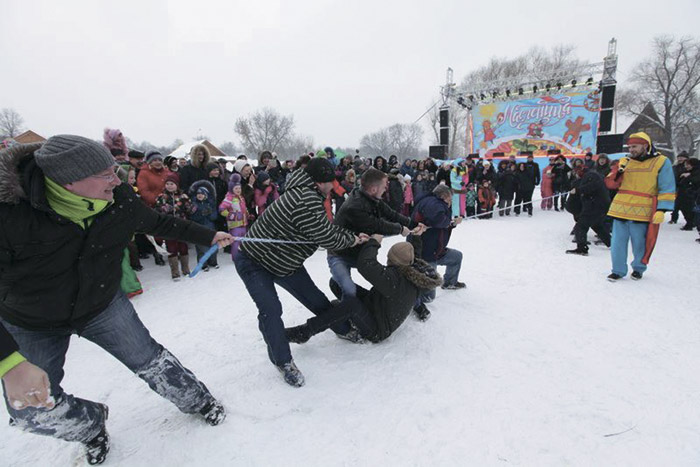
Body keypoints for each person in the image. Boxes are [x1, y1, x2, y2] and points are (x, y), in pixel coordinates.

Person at [0, 136, 232, 464]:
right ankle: (89, 426)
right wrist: (9, 363)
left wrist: (208, 235)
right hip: (31, 320)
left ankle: (198, 400)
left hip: (101, 304)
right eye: (106, 174)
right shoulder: (9, 216)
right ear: (67, 182)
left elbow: (157, 222)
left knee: (150, 360)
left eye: (116, 170)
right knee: (30, 410)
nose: (118, 179)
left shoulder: (118, 198)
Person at [234, 158, 369, 387]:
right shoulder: (305, 198)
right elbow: (325, 236)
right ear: (321, 182)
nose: (333, 184)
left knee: (315, 298)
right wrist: (353, 239)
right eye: (331, 180)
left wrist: (346, 234)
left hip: (284, 261)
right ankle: (282, 361)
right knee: (271, 310)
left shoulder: (309, 192)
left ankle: (343, 329)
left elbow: (324, 228)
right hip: (254, 261)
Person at [284, 235, 442, 344]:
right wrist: (416, 236)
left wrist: (374, 242)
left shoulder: (394, 280)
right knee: (337, 284)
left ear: (393, 260)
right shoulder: (413, 271)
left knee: (351, 304)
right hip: (377, 305)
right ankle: (343, 312)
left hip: (378, 328)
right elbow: (415, 253)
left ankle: (305, 332)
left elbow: (366, 265)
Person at [329, 167, 421, 299]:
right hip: (339, 253)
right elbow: (377, 225)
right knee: (348, 289)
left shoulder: (371, 197)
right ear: (373, 189)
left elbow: (391, 213)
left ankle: (409, 303)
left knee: (383, 281)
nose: (386, 189)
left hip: (358, 250)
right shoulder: (355, 206)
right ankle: (349, 313)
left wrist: (414, 224)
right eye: (384, 186)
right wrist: (400, 229)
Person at [606, 132, 676, 281]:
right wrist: (618, 172)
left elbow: (667, 187)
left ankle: (638, 268)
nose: (631, 150)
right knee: (617, 243)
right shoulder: (624, 161)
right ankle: (617, 270)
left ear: (645, 145)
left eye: (634, 146)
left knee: (640, 244)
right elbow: (610, 184)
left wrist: (662, 209)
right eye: (630, 146)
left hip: (643, 210)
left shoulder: (661, 161)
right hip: (620, 208)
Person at [410, 184, 465, 321]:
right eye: (450, 198)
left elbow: (440, 223)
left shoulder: (436, 203)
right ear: (444, 196)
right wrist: (449, 221)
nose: (451, 201)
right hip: (426, 253)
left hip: (436, 249)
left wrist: (452, 223)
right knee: (429, 297)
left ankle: (450, 282)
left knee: (456, 257)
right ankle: (414, 301)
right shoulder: (432, 203)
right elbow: (439, 220)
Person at [155, 174, 194, 280]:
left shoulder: (183, 196)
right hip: (168, 227)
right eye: (167, 184)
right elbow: (157, 210)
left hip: (181, 226)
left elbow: (189, 209)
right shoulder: (161, 197)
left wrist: (191, 208)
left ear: (176, 185)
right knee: (171, 248)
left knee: (183, 247)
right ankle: (175, 271)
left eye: (172, 184)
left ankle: (185, 268)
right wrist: (163, 209)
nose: (169, 186)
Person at [565, 168, 611, 256]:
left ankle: (582, 248)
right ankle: (611, 243)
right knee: (597, 225)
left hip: (594, 205)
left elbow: (592, 186)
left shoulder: (591, 176)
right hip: (600, 205)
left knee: (581, 226)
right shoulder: (590, 176)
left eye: (576, 173)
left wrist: (578, 190)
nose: (575, 175)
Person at [189, 181, 220, 271]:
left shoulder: (210, 204)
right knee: (201, 248)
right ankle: (203, 264)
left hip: (210, 228)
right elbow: (192, 217)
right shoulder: (194, 205)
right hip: (199, 229)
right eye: (198, 194)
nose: (200, 195)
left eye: (202, 194)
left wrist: (209, 213)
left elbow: (214, 217)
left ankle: (213, 262)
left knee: (213, 246)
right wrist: (201, 214)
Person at [219, 174, 250, 260]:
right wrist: (230, 215)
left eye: (239, 188)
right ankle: (236, 258)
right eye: (236, 188)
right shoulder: (229, 198)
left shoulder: (241, 198)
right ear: (231, 189)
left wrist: (248, 214)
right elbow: (221, 209)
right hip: (234, 225)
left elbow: (243, 209)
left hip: (243, 223)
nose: (238, 190)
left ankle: (242, 257)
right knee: (235, 242)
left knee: (243, 242)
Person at [677, 158, 700, 231]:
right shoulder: (686, 172)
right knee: (685, 210)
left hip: (693, 196)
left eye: (688, 164)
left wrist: (689, 176)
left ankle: (691, 223)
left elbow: (695, 181)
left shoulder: (696, 172)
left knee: (692, 212)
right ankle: (689, 223)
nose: (686, 166)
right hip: (684, 194)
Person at [670, 151, 690, 224]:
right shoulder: (675, 167)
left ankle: (690, 220)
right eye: (679, 157)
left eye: (682, 157)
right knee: (676, 204)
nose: (680, 159)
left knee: (684, 205)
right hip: (676, 187)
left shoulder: (688, 167)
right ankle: (674, 218)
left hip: (686, 188)